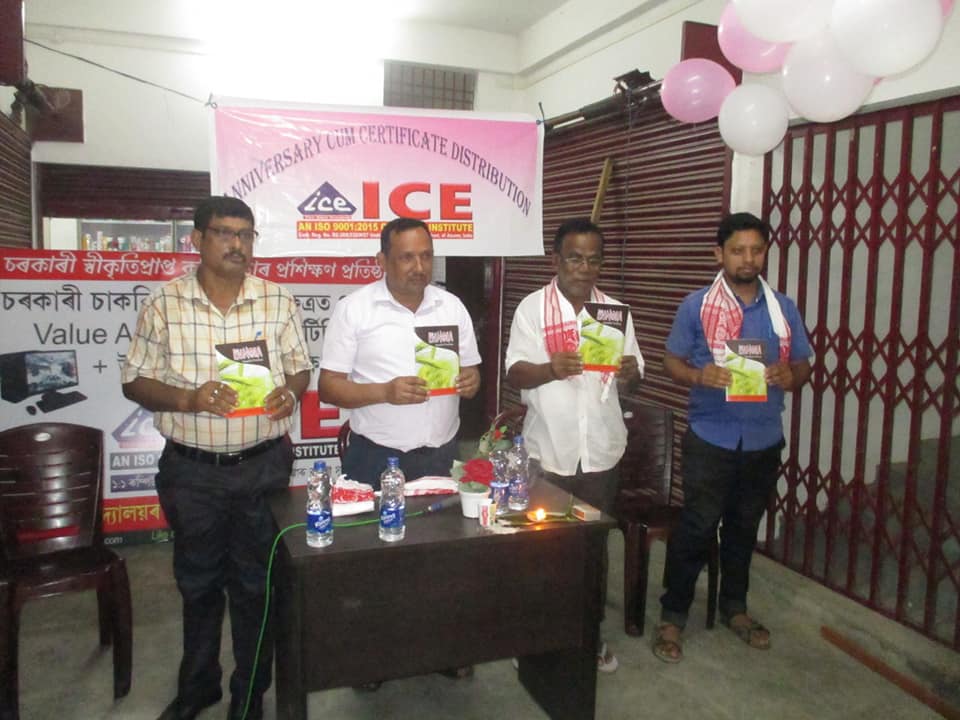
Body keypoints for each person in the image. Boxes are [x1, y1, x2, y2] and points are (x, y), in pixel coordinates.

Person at [121, 196, 312, 720]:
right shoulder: (164, 304)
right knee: (198, 584)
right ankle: (198, 687)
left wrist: (291, 393)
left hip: (262, 467)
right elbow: (134, 380)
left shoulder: (277, 300)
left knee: (257, 586)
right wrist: (188, 399)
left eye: (246, 234)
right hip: (192, 472)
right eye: (225, 233)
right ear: (197, 240)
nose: (237, 244)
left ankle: (250, 694)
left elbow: (300, 367)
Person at [654, 212, 813, 664]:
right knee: (697, 527)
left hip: (763, 439)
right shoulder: (696, 307)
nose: (748, 259)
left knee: (744, 528)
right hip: (711, 438)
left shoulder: (783, 309)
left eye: (756, 250)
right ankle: (673, 614)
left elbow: (803, 365)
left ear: (765, 253)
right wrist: (698, 375)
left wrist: (791, 376)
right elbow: (670, 361)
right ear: (719, 254)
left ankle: (735, 608)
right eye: (738, 250)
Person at [504, 218, 644, 673]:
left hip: (601, 454)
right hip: (549, 453)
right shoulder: (532, 309)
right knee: (542, 551)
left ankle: (588, 636)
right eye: (574, 258)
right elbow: (515, 373)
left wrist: (630, 374)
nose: (584, 269)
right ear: (556, 260)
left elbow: (635, 379)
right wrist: (550, 369)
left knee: (593, 553)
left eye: (593, 260)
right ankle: (537, 640)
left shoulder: (614, 313)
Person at [318, 217, 481, 490]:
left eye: (426, 256)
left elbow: (470, 370)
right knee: (372, 522)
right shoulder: (354, 309)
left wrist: (470, 381)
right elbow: (328, 387)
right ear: (382, 261)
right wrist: (385, 392)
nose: (419, 267)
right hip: (375, 457)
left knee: (448, 521)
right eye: (407, 258)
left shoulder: (452, 307)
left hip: (442, 456)